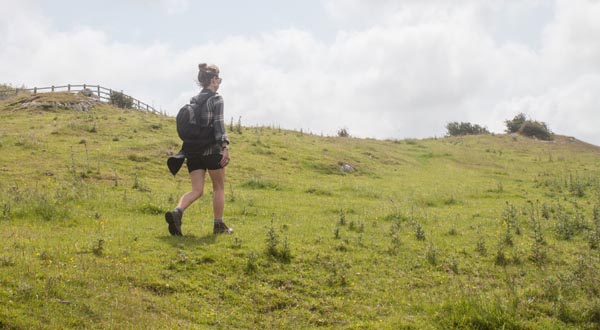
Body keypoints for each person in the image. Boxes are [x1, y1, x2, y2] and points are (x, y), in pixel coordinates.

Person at [165, 63, 232, 236]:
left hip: (193, 152)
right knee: (219, 188)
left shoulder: (194, 101)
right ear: (213, 80)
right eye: (219, 79)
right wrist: (225, 147)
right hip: (211, 150)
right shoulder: (216, 99)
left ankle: (177, 212)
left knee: (197, 190)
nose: (220, 83)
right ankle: (218, 225)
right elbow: (218, 124)